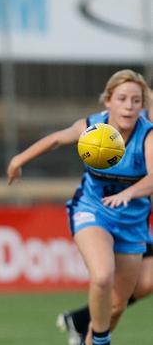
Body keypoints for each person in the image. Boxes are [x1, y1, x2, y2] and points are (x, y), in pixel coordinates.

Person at [7, 69, 152, 345]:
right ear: (108, 101)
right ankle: (100, 340)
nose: (129, 106)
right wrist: (18, 160)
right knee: (101, 276)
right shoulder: (93, 127)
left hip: (132, 222)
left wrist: (130, 193)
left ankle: (87, 337)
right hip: (92, 210)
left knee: (118, 304)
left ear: (142, 105)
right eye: (122, 99)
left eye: (136, 100)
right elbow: (56, 140)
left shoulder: (147, 136)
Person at [56, 88, 153, 345]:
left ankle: (82, 321)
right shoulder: (131, 120)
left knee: (145, 283)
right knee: (112, 279)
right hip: (119, 214)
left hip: (137, 215)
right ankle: (92, 329)